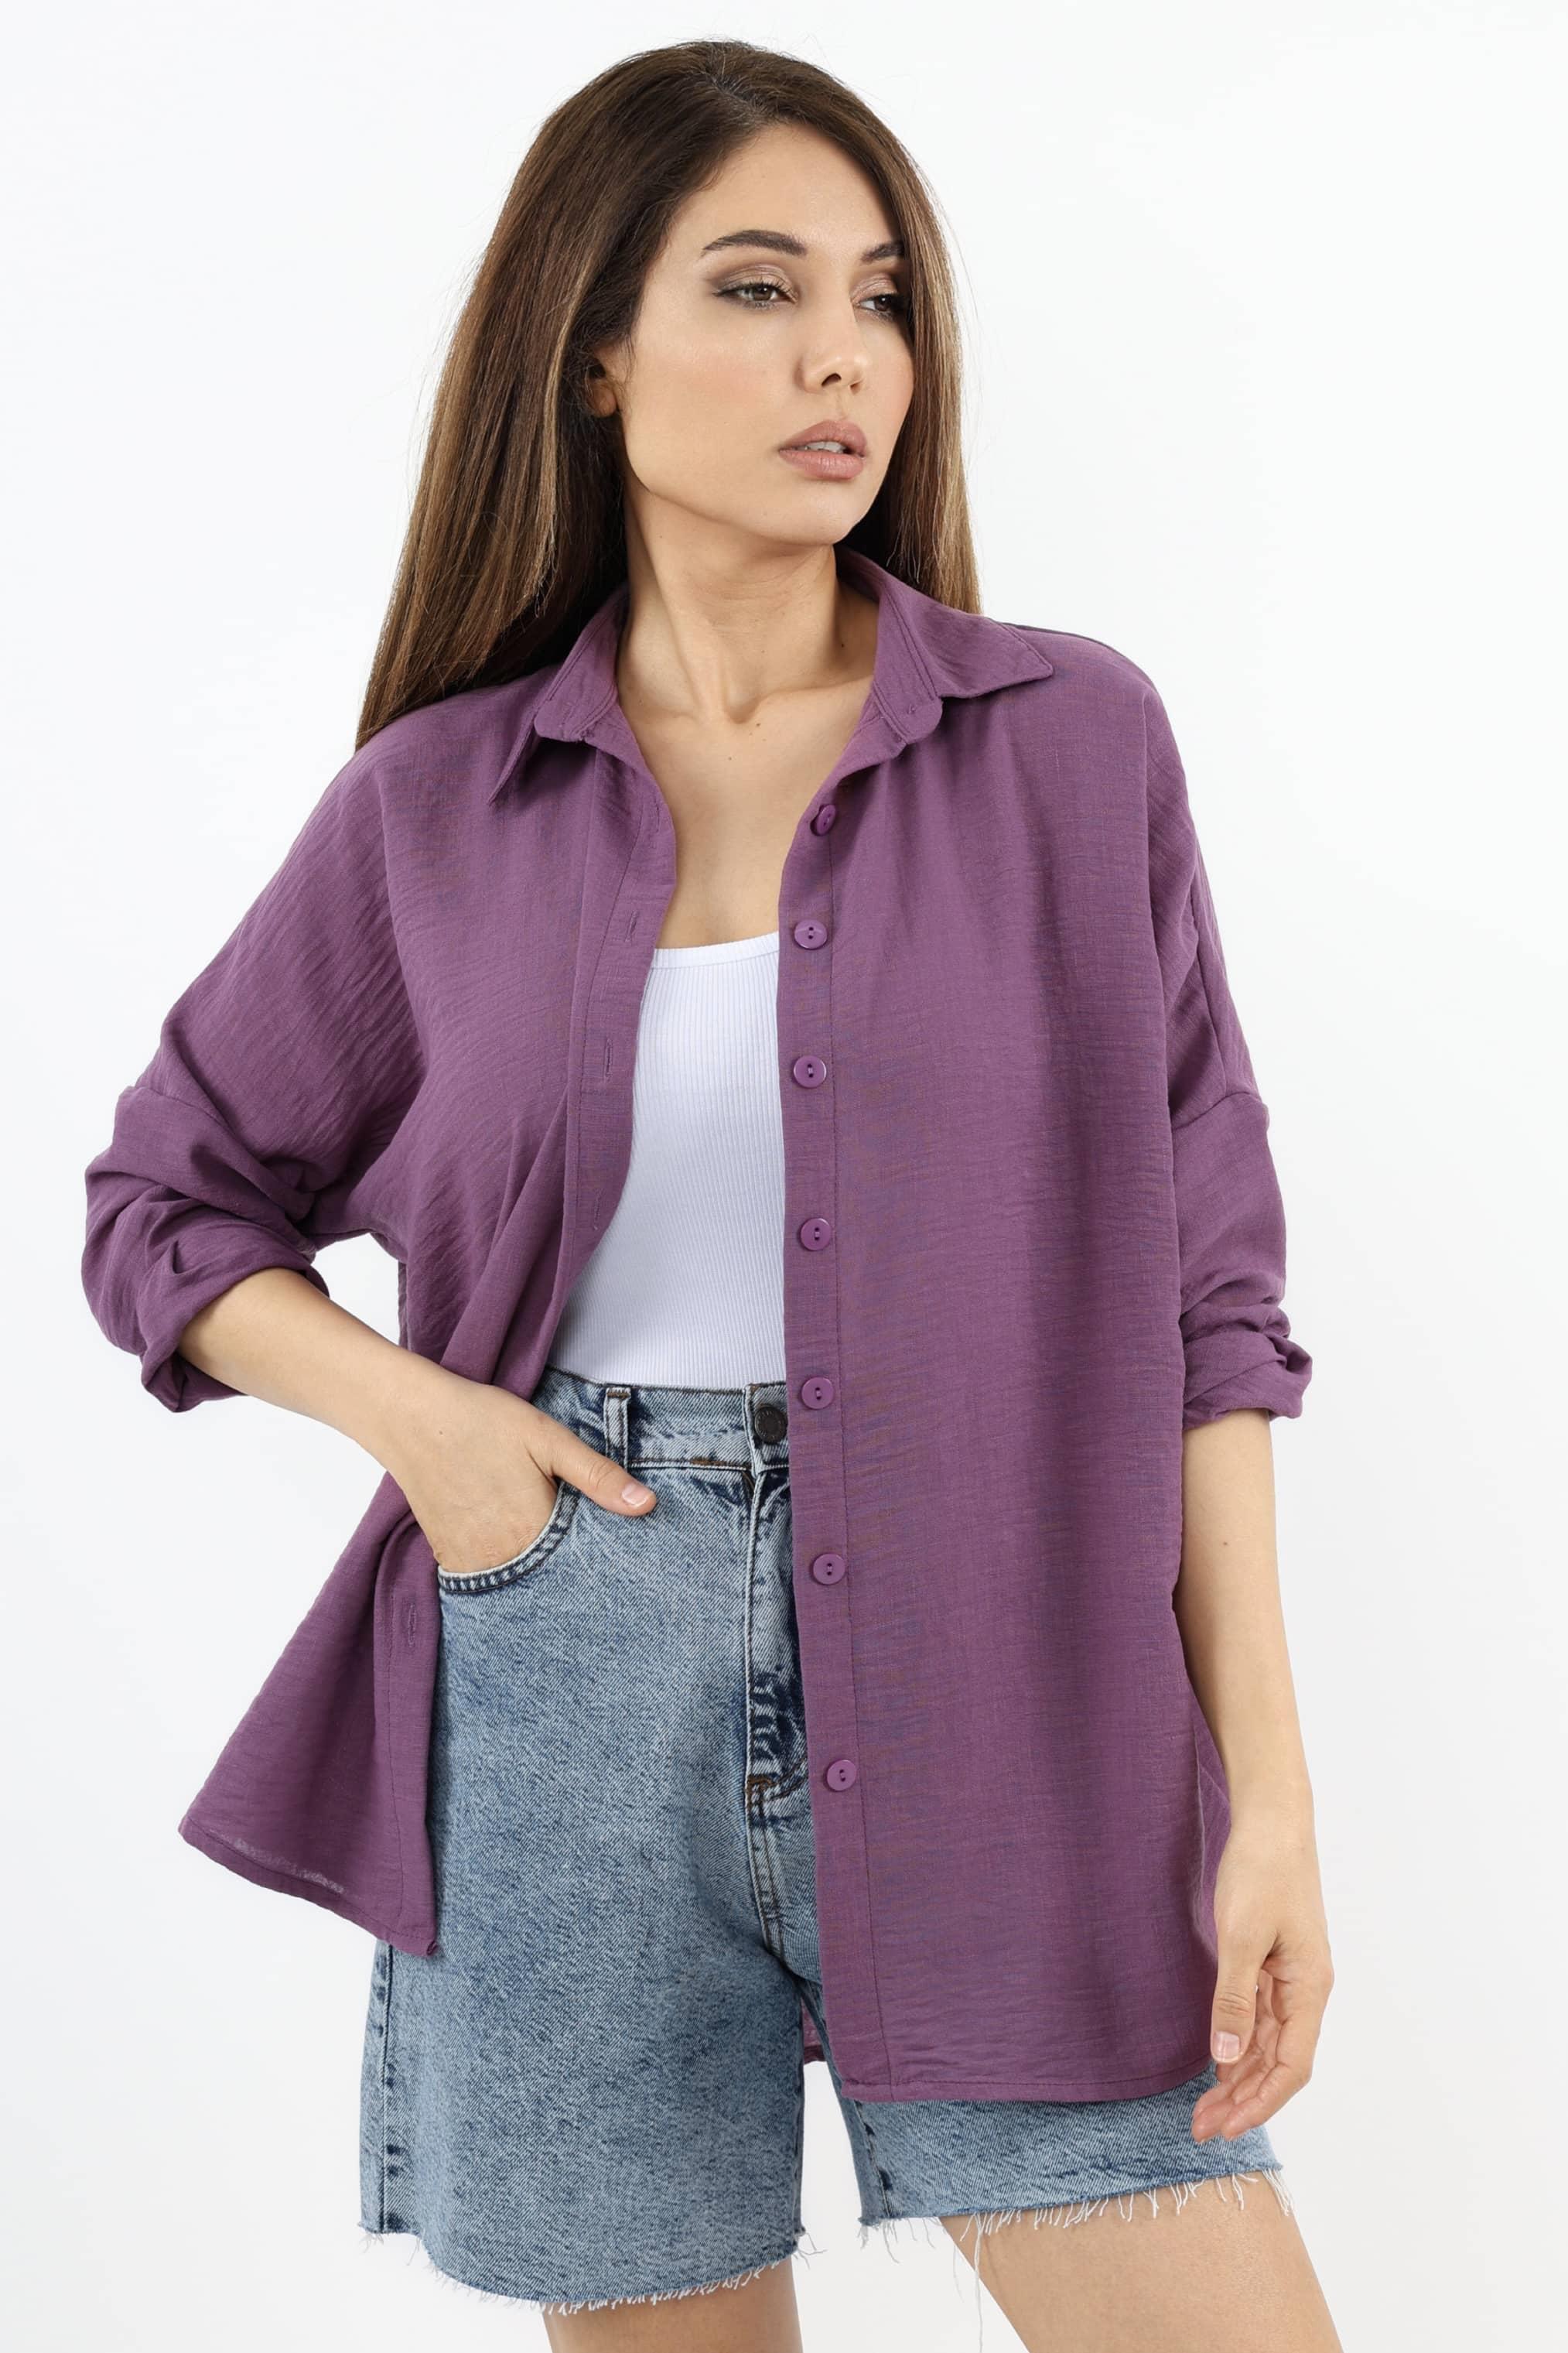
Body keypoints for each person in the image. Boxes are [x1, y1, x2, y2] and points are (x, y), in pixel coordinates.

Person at [80, 39, 1343, 2353]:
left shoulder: (1069, 745)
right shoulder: (438, 808)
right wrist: (432, 1432)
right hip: (565, 1659)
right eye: (757, 289)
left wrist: (1266, 1795)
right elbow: (168, 1201)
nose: (840, 354)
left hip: (1015, 1673)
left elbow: (1209, 1306)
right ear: (593, 352)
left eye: (879, 298)